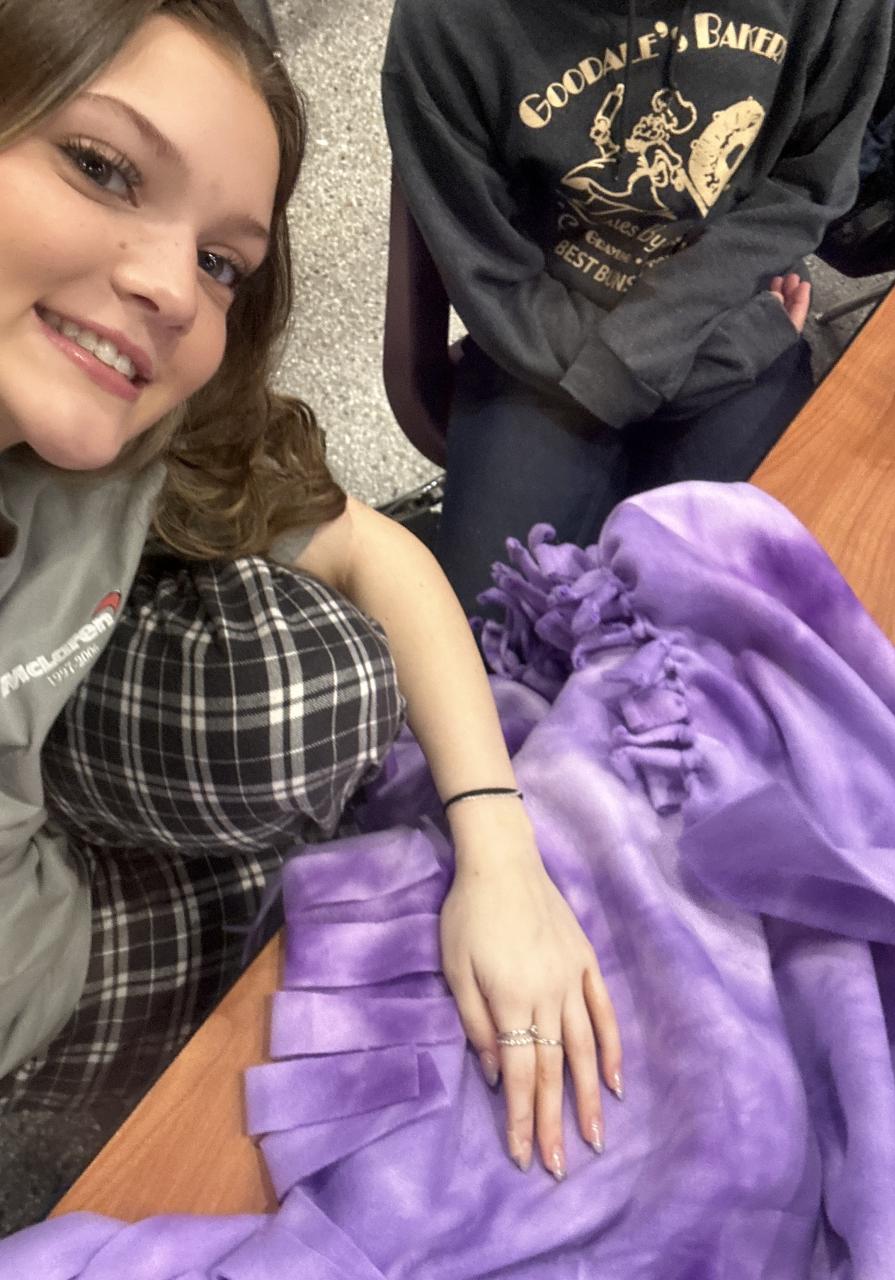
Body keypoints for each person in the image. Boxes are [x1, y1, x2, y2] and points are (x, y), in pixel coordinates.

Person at [0, 0, 622, 1183]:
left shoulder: (139, 425)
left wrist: (501, 852)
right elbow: (479, 251)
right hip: (535, 351)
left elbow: (366, 547)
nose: (173, 288)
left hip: (664, 342)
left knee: (343, 701)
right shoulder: (464, 30)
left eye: (220, 262)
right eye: (100, 165)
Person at [382, 0, 892, 612]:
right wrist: (695, 361)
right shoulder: (446, 21)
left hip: (722, 303)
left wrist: (668, 353)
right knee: (495, 635)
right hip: (548, 346)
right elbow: (493, 272)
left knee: (743, 623)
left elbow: (807, 184)